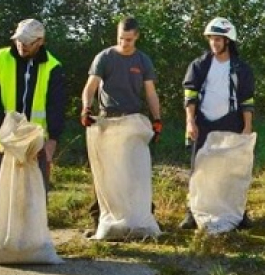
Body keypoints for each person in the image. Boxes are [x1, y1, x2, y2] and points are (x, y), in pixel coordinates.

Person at [80, 16, 162, 232]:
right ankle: (99, 220)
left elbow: (151, 93)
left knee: (136, 171)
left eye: (128, 40)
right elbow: (90, 87)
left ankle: (143, 217)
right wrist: (86, 108)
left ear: (136, 37)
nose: (124, 43)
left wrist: (157, 119)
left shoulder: (143, 61)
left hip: (133, 120)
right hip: (108, 121)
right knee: (105, 173)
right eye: (121, 39)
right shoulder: (105, 57)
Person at [179, 17, 255, 230]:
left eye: (218, 39)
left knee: (231, 169)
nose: (214, 43)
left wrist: (247, 127)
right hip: (203, 122)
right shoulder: (199, 65)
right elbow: (190, 96)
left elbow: (247, 100)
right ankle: (192, 213)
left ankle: (237, 213)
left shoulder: (241, 68)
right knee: (198, 168)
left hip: (231, 121)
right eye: (211, 39)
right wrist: (190, 122)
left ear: (228, 41)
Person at [0, 19, 65, 193]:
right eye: (19, 41)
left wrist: (52, 140)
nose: (22, 45)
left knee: (34, 194)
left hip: (36, 144)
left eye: (28, 42)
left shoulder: (53, 67)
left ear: (41, 41)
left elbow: (56, 106)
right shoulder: (1, 59)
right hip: (4, 139)